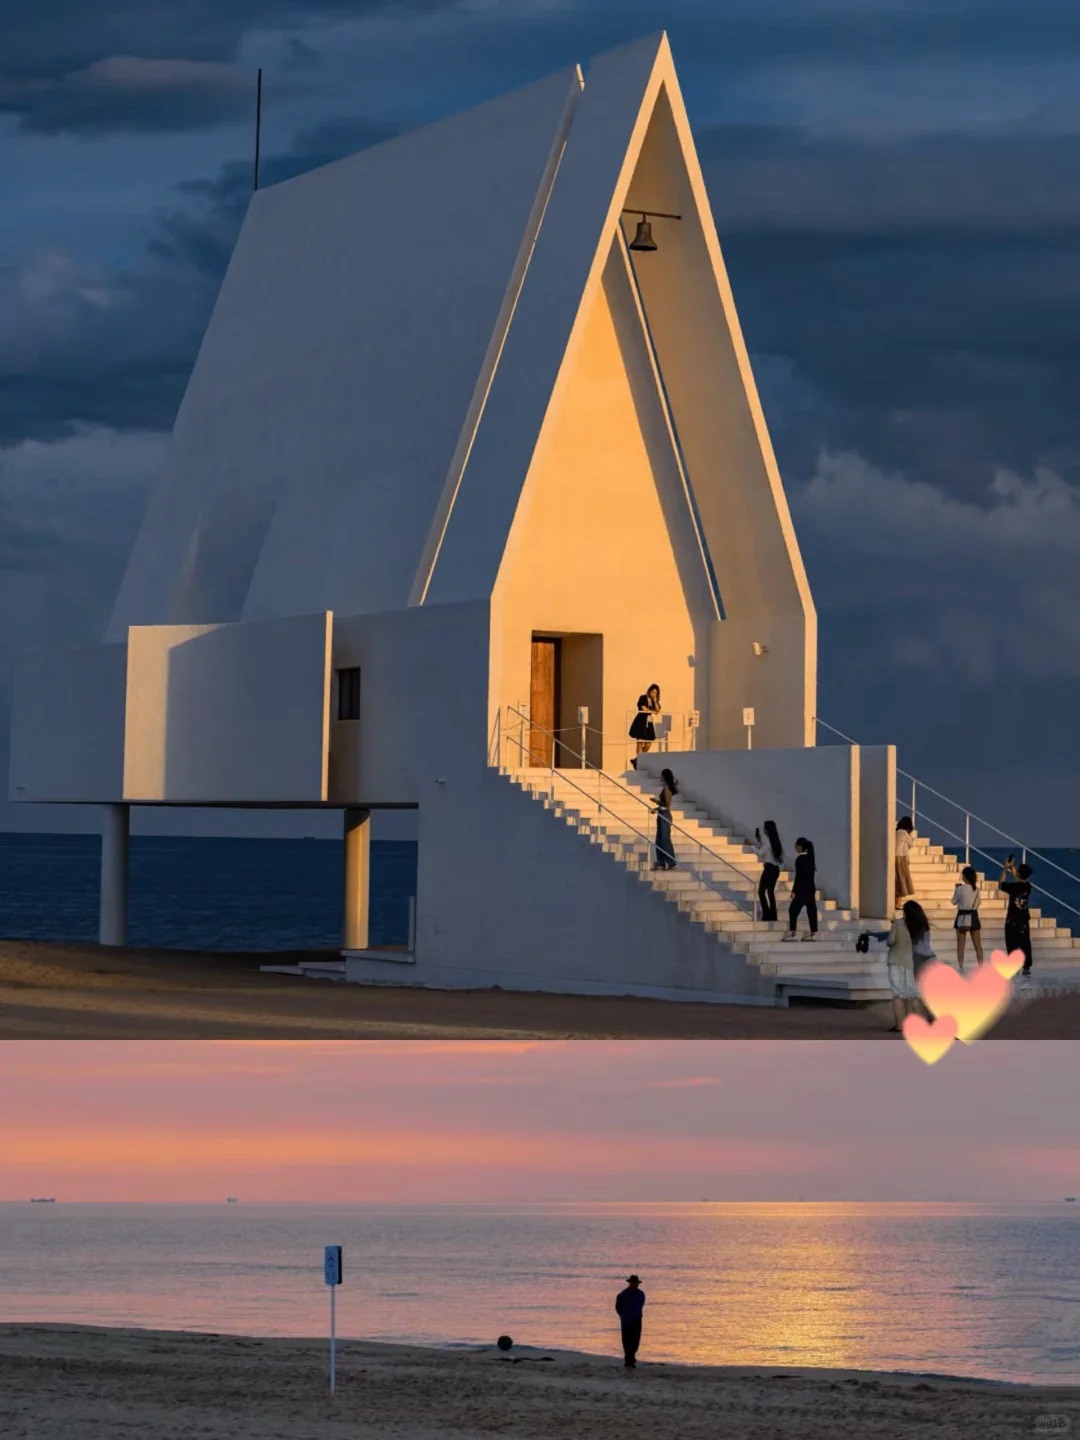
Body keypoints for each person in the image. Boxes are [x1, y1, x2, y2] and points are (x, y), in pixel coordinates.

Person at [886, 900, 933, 1032]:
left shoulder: (900, 924)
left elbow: (891, 941)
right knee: (912, 994)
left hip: (901, 960)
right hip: (916, 961)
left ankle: (899, 1025)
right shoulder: (920, 925)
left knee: (898, 994)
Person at [999, 856, 1034, 977]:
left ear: (1018, 874)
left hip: (1012, 920)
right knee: (1025, 943)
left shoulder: (1013, 887)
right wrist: (1012, 867)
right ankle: (1026, 967)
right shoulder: (1028, 887)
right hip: (1024, 920)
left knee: (1012, 943)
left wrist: (1005, 869)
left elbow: (1001, 884)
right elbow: (1018, 878)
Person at [747, 820, 784, 923]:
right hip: (776, 869)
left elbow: (760, 852)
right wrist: (759, 839)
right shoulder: (775, 840)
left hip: (769, 869)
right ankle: (773, 915)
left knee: (761, 891)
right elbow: (766, 848)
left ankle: (767, 915)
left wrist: (751, 845)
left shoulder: (767, 839)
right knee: (770, 892)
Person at [783, 837, 817, 941]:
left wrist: (794, 891)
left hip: (802, 889)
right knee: (811, 911)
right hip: (811, 888)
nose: (795, 848)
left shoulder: (800, 859)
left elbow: (799, 876)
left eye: (796, 846)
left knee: (793, 910)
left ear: (799, 846)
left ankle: (793, 934)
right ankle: (813, 933)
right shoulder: (811, 857)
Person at [951, 865, 984, 970]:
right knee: (977, 945)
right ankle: (981, 966)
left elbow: (953, 902)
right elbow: (978, 903)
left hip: (961, 916)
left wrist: (956, 890)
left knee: (960, 945)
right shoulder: (977, 890)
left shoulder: (960, 889)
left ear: (964, 877)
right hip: (973, 916)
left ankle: (961, 967)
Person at [615, 1275, 646, 1369]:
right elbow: (618, 1308)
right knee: (627, 1340)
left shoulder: (641, 1294)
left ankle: (631, 1357)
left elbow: (641, 1305)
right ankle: (629, 1359)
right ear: (630, 1283)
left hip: (637, 1318)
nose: (635, 1284)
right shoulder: (623, 1294)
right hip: (627, 1320)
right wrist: (623, 1316)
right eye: (633, 1283)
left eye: (636, 1283)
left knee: (636, 1340)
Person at [628, 685, 662, 767]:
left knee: (648, 744)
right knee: (640, 742)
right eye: (653, 692)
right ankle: (639, 762)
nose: (654, 694)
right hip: (641, 721)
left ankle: (637, 759)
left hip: (649, 723)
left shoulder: (654, 701)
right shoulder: (643, 697)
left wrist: (655, 701)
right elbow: (644, 709)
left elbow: (658, 710)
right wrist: (652, 711)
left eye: (656, 693)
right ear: (649, 691)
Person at [652, 769, 678, 871]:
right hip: (662, 814)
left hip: (665, 815)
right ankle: (661, 861)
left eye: (662, 775)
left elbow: (667, 805)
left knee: (664, 839)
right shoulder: (665, 789)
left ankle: (671, 861)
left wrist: (657, 802)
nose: (660, 777)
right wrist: (656, 809)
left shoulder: (667, 790)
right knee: (659, 840)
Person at [895, 817, 915, 903]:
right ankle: (898, 902)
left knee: (897, 880)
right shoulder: (904, 833)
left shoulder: (896, 832)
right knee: (901, 880)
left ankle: (897, 901)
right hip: (901, 857)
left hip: (896, 857)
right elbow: (911, 844)